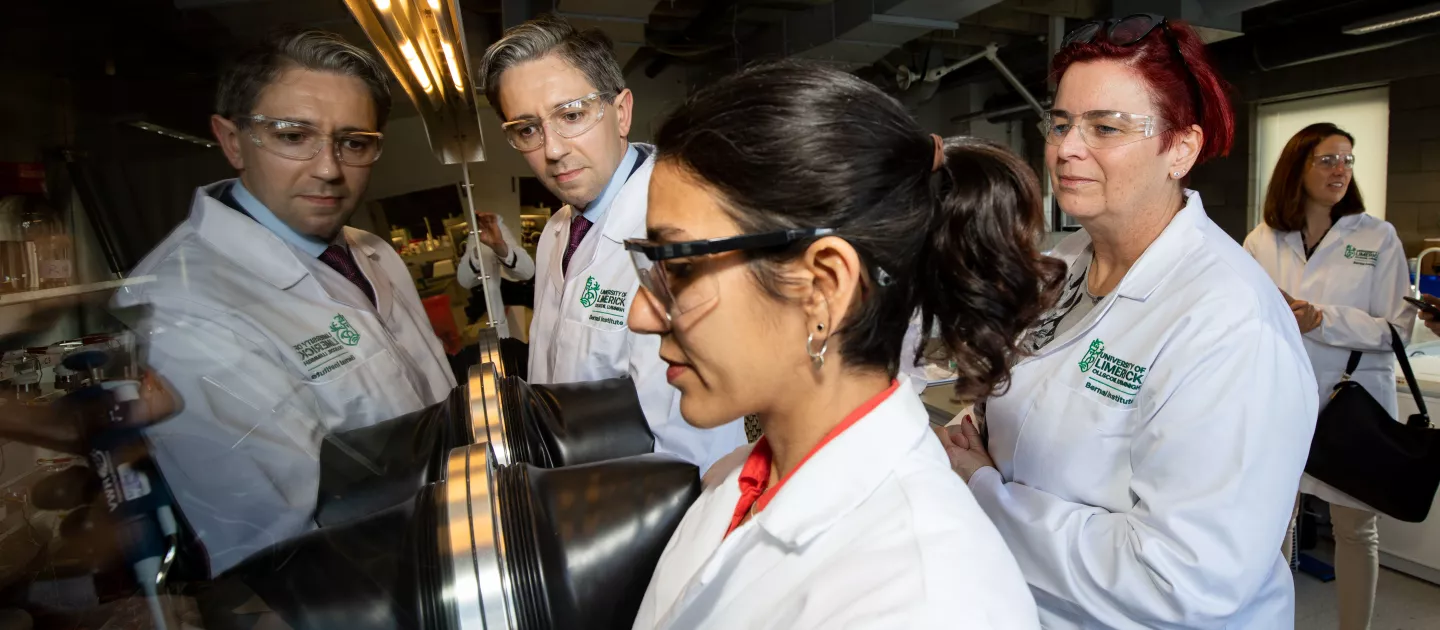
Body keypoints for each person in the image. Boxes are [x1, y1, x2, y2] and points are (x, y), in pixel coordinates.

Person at [626, 61, 1050, 629]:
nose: (639, 314)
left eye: (678, 267)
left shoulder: (929, 603)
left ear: (824, 287)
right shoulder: (749, 479)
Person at [934, 15, 1318, 628]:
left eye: (1106, 127)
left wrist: (986, 490)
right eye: (1060, 123)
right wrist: (972, 427)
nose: (1067, 148)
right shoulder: (1062, 264)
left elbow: (1183, 578)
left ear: (1181, 149)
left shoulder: (1228, 323)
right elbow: (1026, 400)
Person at [112, 30, 456, 575]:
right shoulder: (183, 307)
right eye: (294, 136)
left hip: (460, 538)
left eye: (355, 142)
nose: (328, 168)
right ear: (231, 140)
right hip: (379, 587)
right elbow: (283, 544)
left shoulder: (372, 252)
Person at [476, 14, 745, 472]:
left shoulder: (683, 236)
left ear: (620, 113)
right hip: (569, 485)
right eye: (527, 129)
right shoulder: (558, 231)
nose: (553, 149)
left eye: (572, 115)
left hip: (654, 513)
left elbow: (690, 450)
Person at [1244, 122, 1417, 630]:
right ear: (1297, 167)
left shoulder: (1376, 237)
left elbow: (1397, 328)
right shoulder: (1264, 238)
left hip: (1353, 400)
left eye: (1347, 161)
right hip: (1282, 400)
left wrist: (1322, 319)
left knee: (1355, 529)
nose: (1340, 171)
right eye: (1327, 160)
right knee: (1274, 523)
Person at [454, 211, 535, 324]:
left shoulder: (502, 230)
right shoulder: (475, 237)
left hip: (507, 307)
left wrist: (500, 246)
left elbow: (527, 272)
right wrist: (478, 251)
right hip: (489, 316)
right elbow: (464, 280)